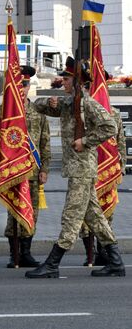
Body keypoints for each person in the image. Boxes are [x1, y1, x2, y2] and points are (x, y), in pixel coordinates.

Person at [25, 57, 125, 278]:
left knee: (71, 216)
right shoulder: (69, 103)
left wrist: (86, 141)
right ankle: (116, 262)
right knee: (95, 217)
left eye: (67, 78)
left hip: (82, 169)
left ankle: (53, 262)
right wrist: (49, 102)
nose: (63, 81)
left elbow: (109, 125)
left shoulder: (87, 104)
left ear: (78, 81)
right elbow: (39, 107)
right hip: (77, 169)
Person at [0, 65, 51, 268]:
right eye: (19, 84)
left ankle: (26, 252)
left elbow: (45, 141)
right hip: (14, 170)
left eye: (25, 84)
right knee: (13, 211)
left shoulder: (37, 110)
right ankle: (13, 253)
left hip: (33, 170)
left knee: (32, 211)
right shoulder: (4, 110)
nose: (22, 88)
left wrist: (45, 169)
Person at [79, 73, 126, 266]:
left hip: (107, 169)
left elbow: (119, 141)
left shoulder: (113, 113)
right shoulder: (80, 112)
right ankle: (89, 253)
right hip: (87, 166)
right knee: (85, 213)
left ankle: (103, 253)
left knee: (106, 212)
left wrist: (120, 166)